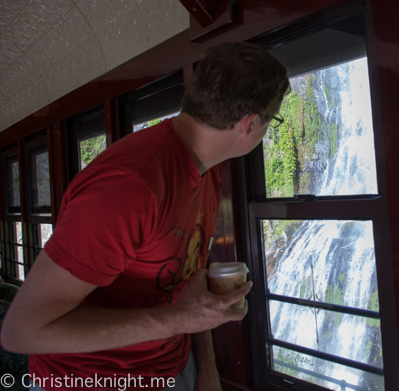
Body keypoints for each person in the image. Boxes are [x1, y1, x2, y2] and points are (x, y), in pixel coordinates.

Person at [0, 42, 290, 391]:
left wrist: (207, 368)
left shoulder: (207, 171)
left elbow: (189, 282)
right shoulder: (130, 188)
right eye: (271, 121)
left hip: (172, 367)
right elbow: (21, 331)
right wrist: (177, 319)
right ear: (250, 124)